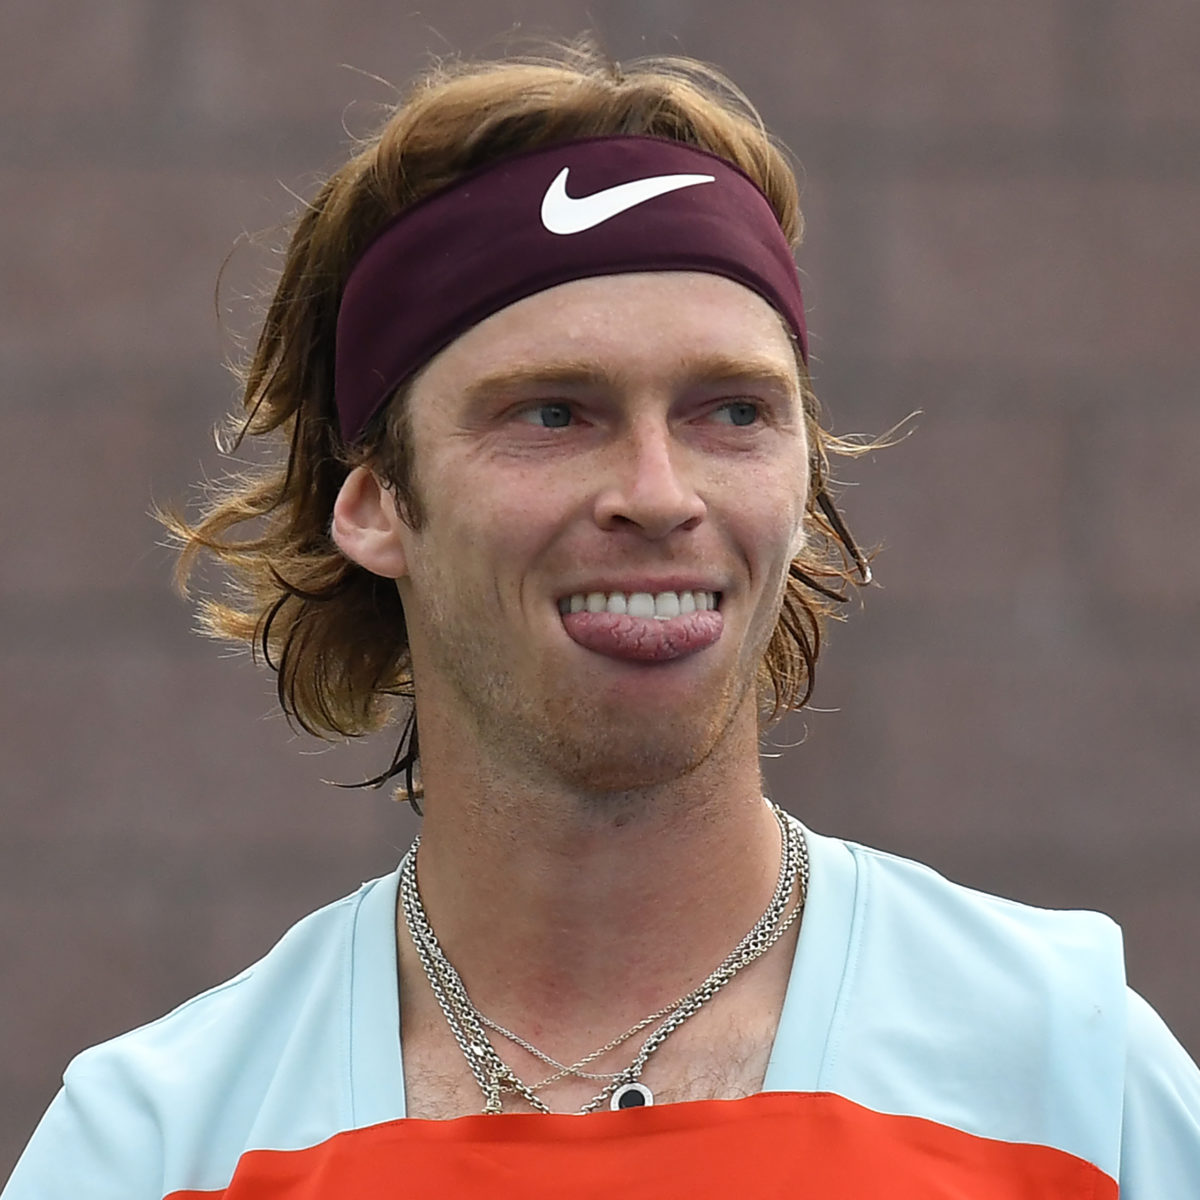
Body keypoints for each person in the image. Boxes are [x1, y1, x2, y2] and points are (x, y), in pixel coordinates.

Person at [5, 42, 1199, 1200]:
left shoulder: (1067, 1078)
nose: (660, 494)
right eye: (552, 414)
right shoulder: (161, 1148)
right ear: (374, 507)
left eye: (733, 411)